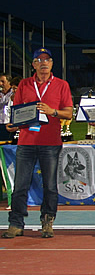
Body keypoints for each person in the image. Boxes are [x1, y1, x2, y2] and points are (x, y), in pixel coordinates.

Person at [2, 48, 73, 239]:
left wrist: (52, 111)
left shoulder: (61, 85)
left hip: (50, 142)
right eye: (38, 60)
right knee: (20, 185)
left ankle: (48, 220)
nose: (43, 63)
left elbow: (69, 113)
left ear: (51, 63)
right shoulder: (24, 85)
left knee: (49, 185)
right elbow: (16, 113)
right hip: (26, 142)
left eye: (47, 60)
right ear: (33, 64)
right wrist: (12, 125)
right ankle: (16, 223)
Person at [0, 73, 14, 141]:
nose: (0, 84)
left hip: (8, 124)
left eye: (3, 81)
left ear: (9, 82)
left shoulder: (14, 93)